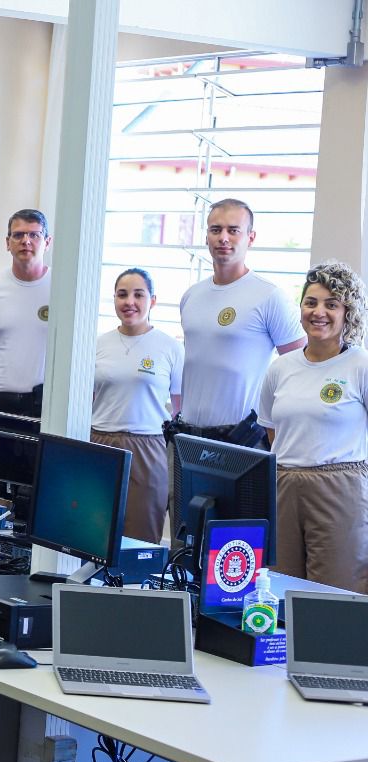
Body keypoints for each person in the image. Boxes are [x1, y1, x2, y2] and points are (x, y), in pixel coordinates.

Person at [258, 261, 368, 592]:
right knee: (279, 586)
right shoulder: (281, 368)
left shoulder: (359, 364)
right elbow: (272, 430)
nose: (319, 312)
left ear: (348, 312)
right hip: (283, 485)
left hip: (341, 488)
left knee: (335, 590)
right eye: (311, 302)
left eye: (331, 304)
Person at [177, 198, 304, 444]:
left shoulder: (270, 296)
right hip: (187, 435)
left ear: (251, 238)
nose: (223, 238)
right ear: (206, 237)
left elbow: (300, 369)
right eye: (216, 230)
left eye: (233, 230)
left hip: (243, 437)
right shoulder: (190, 297)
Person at [91, 269, 184, 544]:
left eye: (138, 294)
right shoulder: (98, 344)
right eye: (122, 294)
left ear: (152, 300)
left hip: (148, 446)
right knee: (94, 532)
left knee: (141, 537)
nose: (129, 301)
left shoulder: (169, 347)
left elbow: (179, 407)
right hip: (100, 441)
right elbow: (87, 398)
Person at [0, 209, 53, 502]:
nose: (26, 241)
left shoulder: (61, 288)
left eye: (34, 234)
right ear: (7, 242)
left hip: (43, 414)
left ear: (47, 241)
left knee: (39, 505)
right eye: (18, 235)